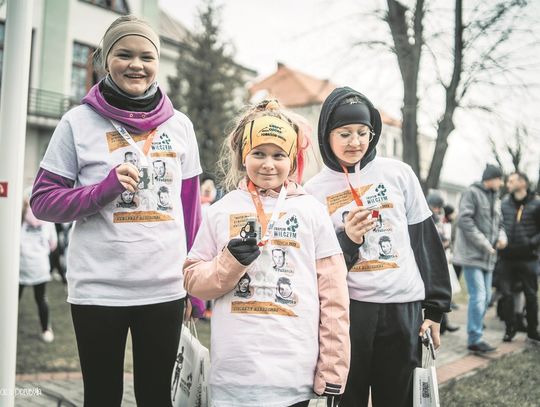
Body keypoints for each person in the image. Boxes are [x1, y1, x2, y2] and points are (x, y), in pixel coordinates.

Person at [29, 15, 202, 406]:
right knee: (102, 396)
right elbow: (42, 202)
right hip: (98, 289)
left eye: (146, 56)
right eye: (124, 54)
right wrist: (102, 191)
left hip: (164, 288)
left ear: (157, 63)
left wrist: (197, 282)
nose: (136, 65)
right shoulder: (77, 123)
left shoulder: (180, 126)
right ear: (105, 59)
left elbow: (191, 211)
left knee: (156, 397)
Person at [183, 100, 350, 407]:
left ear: (292, 159)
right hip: (233, 377)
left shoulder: (312, 211)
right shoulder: (221, 211)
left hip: (293, 376)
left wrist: (332, 370)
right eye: (258, 153)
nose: (268, 164)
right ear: (243, 156)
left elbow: (334, 298)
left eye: (278, 155)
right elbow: (193, 280)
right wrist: (228, 263)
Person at [304, 86, 451, 407]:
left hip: (403, 309)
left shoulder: (399, 174)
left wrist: (436, 309)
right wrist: (349, 239)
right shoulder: (313, 192)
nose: (355, 142)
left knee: (398, 400)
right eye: (344, 133)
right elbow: (319, 268)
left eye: (362, 132)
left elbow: (426, 240)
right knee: (348, 399)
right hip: (351, 312)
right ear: (326, 135)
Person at [453, 164, 507, 353]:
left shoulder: (496, 198)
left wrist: (502, 238)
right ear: (490, 178)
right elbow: (464, 221)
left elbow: (500, 223)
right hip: (472, 256)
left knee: (485, 299)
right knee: (479, 296)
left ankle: (476, 333)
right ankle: (475, 338)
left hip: (489, 258)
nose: (502, 183)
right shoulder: (472, 193)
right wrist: (484, 243)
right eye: (500, 179)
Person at [497, 171, 540, 343]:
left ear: (523, 183)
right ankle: (510, 329)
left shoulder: (536, 204)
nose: (508, 184)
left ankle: (532, 331)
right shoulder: (504, 203)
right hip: (506, 257)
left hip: (528, 257)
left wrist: (531, 243)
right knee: (506, 295)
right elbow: (498, 224)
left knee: (531, 295)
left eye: (512, 181)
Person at [20, 197, 58, 343]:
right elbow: (53, 244)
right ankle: (46, 330)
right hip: (40, 265)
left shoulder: (18, 216)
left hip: (20, 265)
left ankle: (6, 327)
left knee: (12, 299)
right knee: (41, 298)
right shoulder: (47, 217)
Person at [426, 193, 460, 334]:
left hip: (437, 257)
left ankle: (444, 323)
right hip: (429, 259)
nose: (438, 210)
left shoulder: (437, 217)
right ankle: (441, 324)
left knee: (439, 292)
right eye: (437, 207)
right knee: (433, 293)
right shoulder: (427, 216)